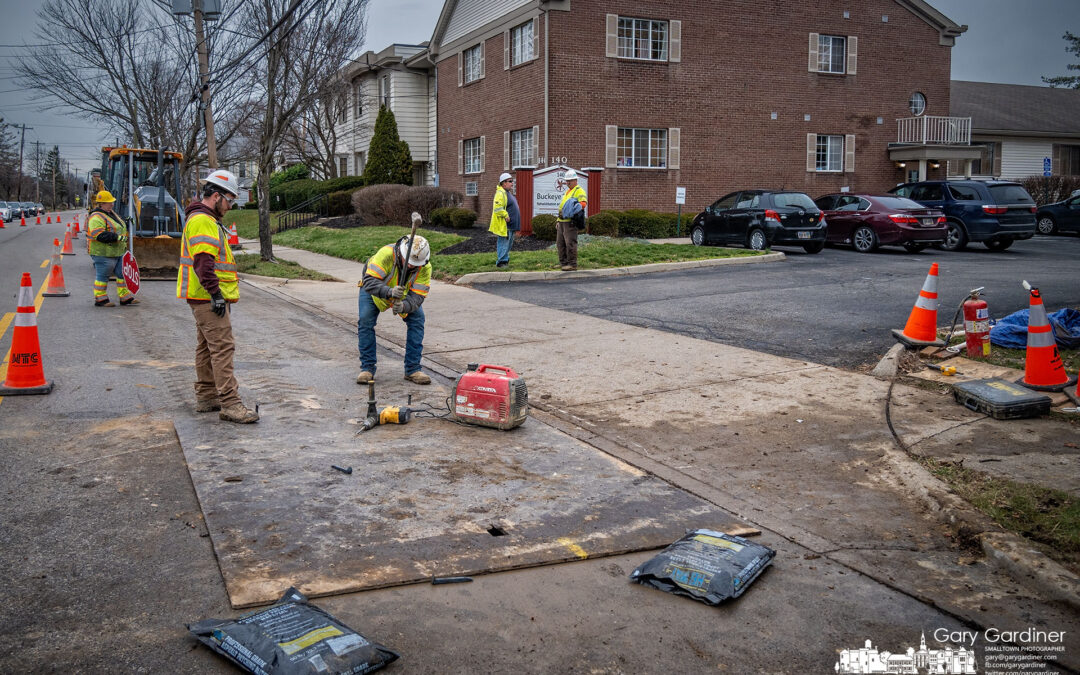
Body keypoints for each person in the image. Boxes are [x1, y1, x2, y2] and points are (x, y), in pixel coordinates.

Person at [176, 169, 259, 424]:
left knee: (206, 347)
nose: (231, 205)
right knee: (223, 347)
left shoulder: (204, 218)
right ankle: (230, 404)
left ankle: (207, 396)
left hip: (201, 296)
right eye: (230, 199)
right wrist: (216, 295)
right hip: (207, 297)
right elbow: (203, 263)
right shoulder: (203, 221)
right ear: (215, 196)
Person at [357, 232, 432, 385]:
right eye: (408, 261)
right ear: (401, 253)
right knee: (365, 321)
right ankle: (367, 368)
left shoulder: (425, 267)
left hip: (402, 296)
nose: (411, 266)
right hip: (375, 291)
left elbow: (418, 296)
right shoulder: (386, 254)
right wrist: (389, 292)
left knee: (418, 320)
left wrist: (404, 306)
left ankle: (412, 369)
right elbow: (369, 281)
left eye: (415, 264)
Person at [87, 189, 138, 307]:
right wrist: (117, 238)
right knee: (103, 275)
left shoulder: (111, 214)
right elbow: (99, 235)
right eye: (109, 202)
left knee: (122, 273)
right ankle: (100, 298)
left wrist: (127, 221)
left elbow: (117, 226)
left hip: (118, 251)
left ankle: (125, 297)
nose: (112, 204)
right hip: (103, 252)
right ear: (102, 204)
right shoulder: (96, 217)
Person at [556, 169, 588, 271]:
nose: (567, 182)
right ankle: (563, 263)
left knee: (570, 243)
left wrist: (573, 211)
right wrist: (558, 220)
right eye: (567, 180)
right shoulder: (568, 191)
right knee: (560, 243)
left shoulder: (579, 190)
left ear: (575, 180)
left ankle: (572, 264)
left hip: (570, 222)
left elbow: (583, 204)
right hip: (562, 221)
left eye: (570, 180)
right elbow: (563, 207)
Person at [489, 172, 520, 267]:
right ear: (504, 183)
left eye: (512, 181)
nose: (512, 183)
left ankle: (505, 260)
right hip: (505, 225)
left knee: (508, 244)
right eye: (510, 181)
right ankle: (501, 262)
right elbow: (497, 208)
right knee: (503, 243)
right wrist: (506, 215)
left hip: (511, 225)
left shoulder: (507, 193)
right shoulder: (500, 193)